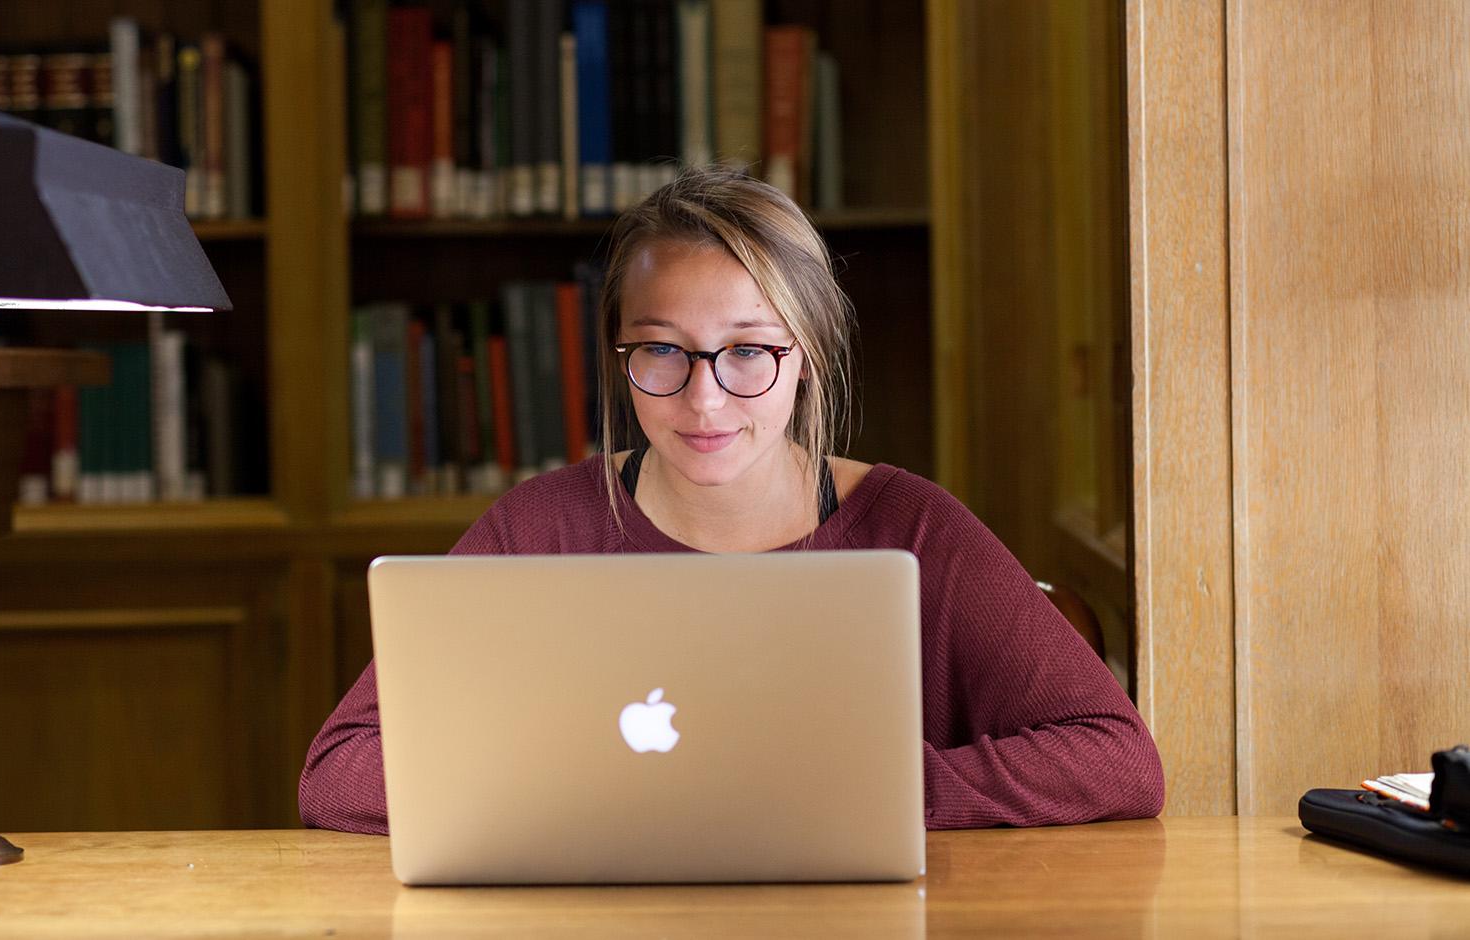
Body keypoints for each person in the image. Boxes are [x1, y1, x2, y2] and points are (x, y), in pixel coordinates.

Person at [299, 166, 1164, 834]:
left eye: (748, 351)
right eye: (662, 352)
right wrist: (604, 797)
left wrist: (870, 794)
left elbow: (1119, 759)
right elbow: (338, 773)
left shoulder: (913, 528)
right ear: (618, 354)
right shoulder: (539, 528)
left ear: (808, 353)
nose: (704, 400)